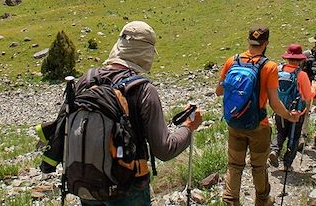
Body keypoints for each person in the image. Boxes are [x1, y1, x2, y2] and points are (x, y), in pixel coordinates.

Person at [37, 21, 202, 206]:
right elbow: (164, 150)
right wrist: (188, 127)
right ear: (146, 53)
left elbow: (62, 127)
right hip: (128, 186)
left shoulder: (85, 80)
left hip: (86, 183)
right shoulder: (143, 90)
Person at [216, 25, 295, 206]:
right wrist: (289, 116)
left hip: (234, 122)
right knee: (258, 166)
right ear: (266, 43)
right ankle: (262, 200)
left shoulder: (232, 61)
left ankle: (230, 199)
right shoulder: (269, 67)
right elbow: (274, 103)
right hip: (258, 125)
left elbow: (219, 91)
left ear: (249, 41)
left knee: (235, 165)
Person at [268, 44, 316, 170]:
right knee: (294, 136)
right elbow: (308, 95)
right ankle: (287, 164)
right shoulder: (301, 75)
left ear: (287, 58)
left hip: (280, 108)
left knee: (280, 132)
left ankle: (275, 150)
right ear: (300, 59)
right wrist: (315, 86)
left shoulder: (278, 71)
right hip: (296, 112)